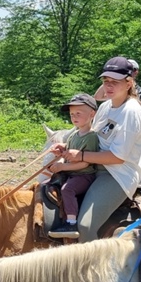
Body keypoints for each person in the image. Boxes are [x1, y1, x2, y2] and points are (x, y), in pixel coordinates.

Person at [52, 56, 141, 242]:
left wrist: (80, 155)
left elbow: (118, 158)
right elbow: (92, 135)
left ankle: (89, 267)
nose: (108, 86)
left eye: (115, 82)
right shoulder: (105, 107)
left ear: (129, 83)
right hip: (92, 166)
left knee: (85, 225)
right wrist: (68, 146)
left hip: (116, 174)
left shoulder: (131, 111)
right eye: (105, 81)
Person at [48, 93, 101, 239]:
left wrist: (63, 167)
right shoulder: (73, 135)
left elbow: (85, 162)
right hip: (72, 173)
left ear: (92, 114)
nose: (74, 117)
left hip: (84, 175)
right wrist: (61, 150)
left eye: (78, 113)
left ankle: (71, 222)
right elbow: (69, 150)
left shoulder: (91, 137)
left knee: (67, 189)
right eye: (72, 114)